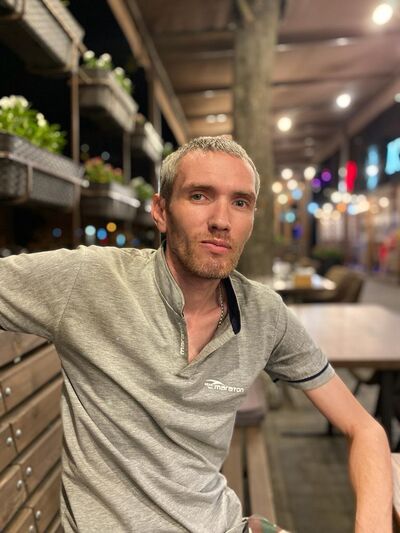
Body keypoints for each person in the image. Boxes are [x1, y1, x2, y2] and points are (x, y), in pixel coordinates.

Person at [0, 136, 392, 532]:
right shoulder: (92, 280)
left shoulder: (263, 314)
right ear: (161, 211)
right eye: (200, 196)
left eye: (240, 202)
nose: (222, 220)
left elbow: (364, 428)